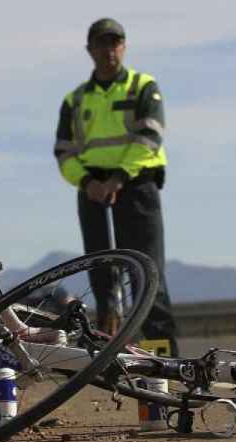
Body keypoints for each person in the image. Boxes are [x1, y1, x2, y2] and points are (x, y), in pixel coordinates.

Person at [53, 17, 179, 356]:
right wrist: (89, 182)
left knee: (147, 275)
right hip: (92, 189)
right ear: (89, 49)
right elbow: (63, 152)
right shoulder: (75, 100)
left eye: (115, 42)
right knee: (101, 276)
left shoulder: (143, 86)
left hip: (136, 186)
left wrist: (117, 179)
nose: (109, 50)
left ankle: (164, 364)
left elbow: (149, 137)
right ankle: (109, 358)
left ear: (124, 46)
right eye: (102, 43)